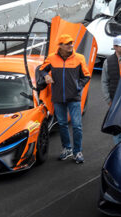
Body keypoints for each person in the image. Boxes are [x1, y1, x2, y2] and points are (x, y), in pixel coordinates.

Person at [35, 33, 91, 164]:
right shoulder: (52, 58)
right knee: (62, 125)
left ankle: (77, 152)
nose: (71, 45)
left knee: (77, 126)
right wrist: (45, 76)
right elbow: (41, 70)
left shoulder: (79, 58)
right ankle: (67, 148)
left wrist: (78, 86)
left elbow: (86, 76)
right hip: (58, 98)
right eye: (67, 43)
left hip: (74, 98)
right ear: (60, 46)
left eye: (71, 42)